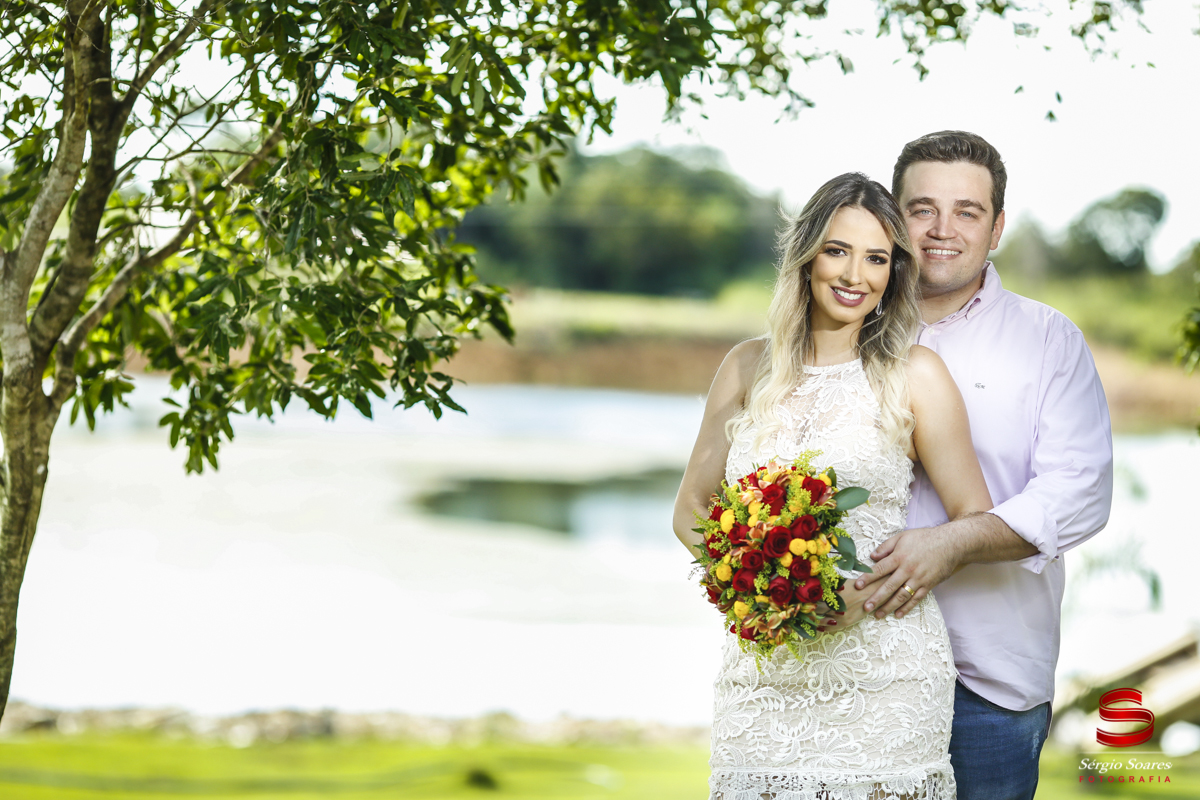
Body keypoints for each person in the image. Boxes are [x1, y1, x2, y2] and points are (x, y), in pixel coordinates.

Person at [674, 171, 994, 799]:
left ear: (894, 272)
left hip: (885, 672)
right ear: (807, 256)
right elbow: (690, 508)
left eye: (876, 258)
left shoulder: (916, 373)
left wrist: (882, 586)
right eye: (838, 251)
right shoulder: (745, 366)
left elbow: (973, 517)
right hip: (762, 675)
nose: (855, 275)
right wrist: (764, 595)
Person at [847, 131, 1114, 800]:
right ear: (892, 218)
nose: (942, 230)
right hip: (848, 661)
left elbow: (1079, 492)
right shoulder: (839, 333)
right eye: (921, 208)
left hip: (987, 681)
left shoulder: (1048, 341)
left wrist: (956, 541)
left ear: (996, 228)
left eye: (967, 211)